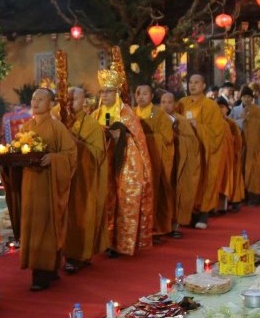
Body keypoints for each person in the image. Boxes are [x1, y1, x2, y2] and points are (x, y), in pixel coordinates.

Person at [16, 88, 77, 290]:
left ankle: (43, 273)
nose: (36, 102)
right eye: (34, 98)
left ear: (50, 104)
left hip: (49, 186)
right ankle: (46, 269)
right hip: (29, 185)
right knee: (32, 226)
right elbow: (17, 150)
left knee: (46, 226)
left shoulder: (57, 127)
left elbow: (70, 154)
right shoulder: (26, 126)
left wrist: (53, 158)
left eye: (41, 99)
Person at [94, 67, 154, 256]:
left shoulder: (126, 112)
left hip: (127, 162)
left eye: (108, 91)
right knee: (106, 200)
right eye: (102, 91)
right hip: (105, 162)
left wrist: (120, 136)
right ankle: (106, 241)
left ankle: (122, 244)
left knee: (125, 201)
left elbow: (137, 139)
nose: (104, 95)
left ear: (117, 92)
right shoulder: (96, 113)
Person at [64, 87, 107, 273]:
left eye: (75, 99)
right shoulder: (60, 121)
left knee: (80, 215)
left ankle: (80, 256)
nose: (71, 102)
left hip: (83, 179)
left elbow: (98, 155)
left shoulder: (92, 125)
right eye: (69, 99)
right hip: (62, 177)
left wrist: (76, 144)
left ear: (84, 102)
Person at [176, 74, 226, 226]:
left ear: (204, 86)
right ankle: (187, 213)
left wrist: (199, 126)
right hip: (187, 150)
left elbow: (218, 131)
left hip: (204, 150)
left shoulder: (211, 106)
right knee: (188, 181)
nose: (192, 85)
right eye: (190, 82)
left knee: (205, 180)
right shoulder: (182, 103)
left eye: (196, 82)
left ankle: (203, 213)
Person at [133, 84, 176, 240]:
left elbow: (168, 139)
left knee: (154, 194)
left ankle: (152, 227)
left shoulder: (159, 115)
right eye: (138, 93)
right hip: (135, 164)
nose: (141, 96)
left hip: (154, 161)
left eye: (145, 93)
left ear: (151, 96)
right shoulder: (131, 113)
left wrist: (146, 139)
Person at [159, 90, 203, 230]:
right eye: (163, 102)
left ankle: (175, 224)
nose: (166, 106)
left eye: (170, 102)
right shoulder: (155, 117)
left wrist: (177, 139)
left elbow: (192, 142)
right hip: (160, 162)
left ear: (175, 104)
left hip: (177, 163)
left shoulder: (181, 121)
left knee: (175, 193)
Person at [240, 86, 260, 203]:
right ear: (241, 98)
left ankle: (253, 196)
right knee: (242, 170)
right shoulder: (236, 110)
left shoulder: (258, 111)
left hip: (255, 147)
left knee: (254, 170)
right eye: (244, 97)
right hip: (242, 147)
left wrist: (250, 122)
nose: (246, 99)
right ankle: (242, 196)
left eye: (249, 97)